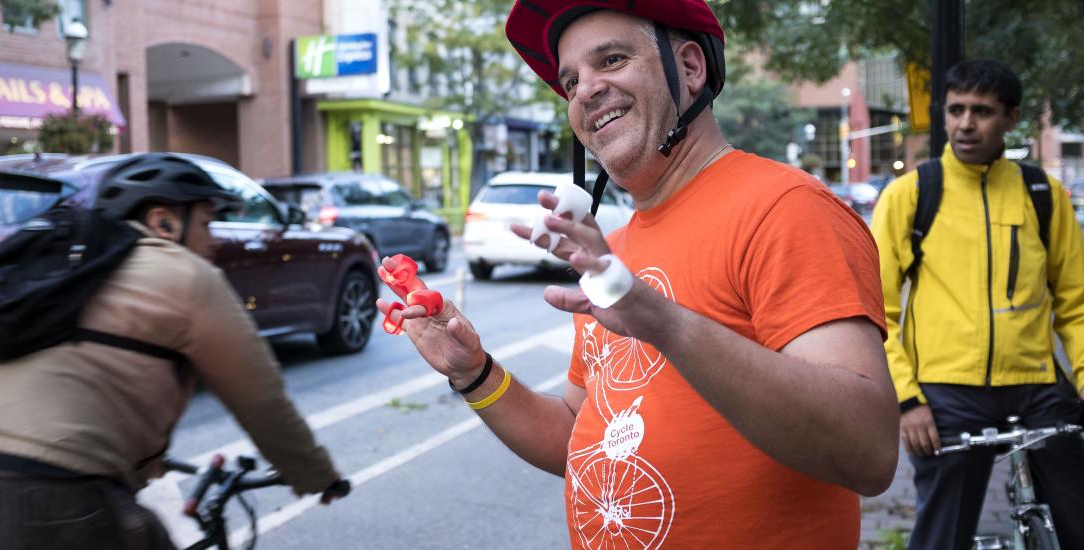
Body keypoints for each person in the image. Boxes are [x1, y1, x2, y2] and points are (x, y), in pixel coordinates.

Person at [378, 1, 898, 547]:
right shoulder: (615, 249)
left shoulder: (786, 208)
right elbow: (579, 439)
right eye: (571, 80)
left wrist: (665, 324)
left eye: (612, 59)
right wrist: (474, 373)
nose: (584, 90)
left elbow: (868, 451)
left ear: (691, 68)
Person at [0, 154, 348, 549]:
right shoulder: (186, 275)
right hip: (54, 490)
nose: (212, 239)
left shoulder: (73, 269)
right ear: (163, 221)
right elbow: (261, 399)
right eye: (205, 221)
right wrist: (316, 475)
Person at [871, 59, 1084, 550]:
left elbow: (1076, 304)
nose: (966, 124)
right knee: (943, 534)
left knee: (1079, 520)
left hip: (1036, 384)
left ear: (1011, 118)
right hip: (948, 392)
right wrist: (906, 402)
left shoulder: (1041, 195)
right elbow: (875, 310)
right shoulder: (913, 194)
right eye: (956, 110)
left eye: (983, 111)